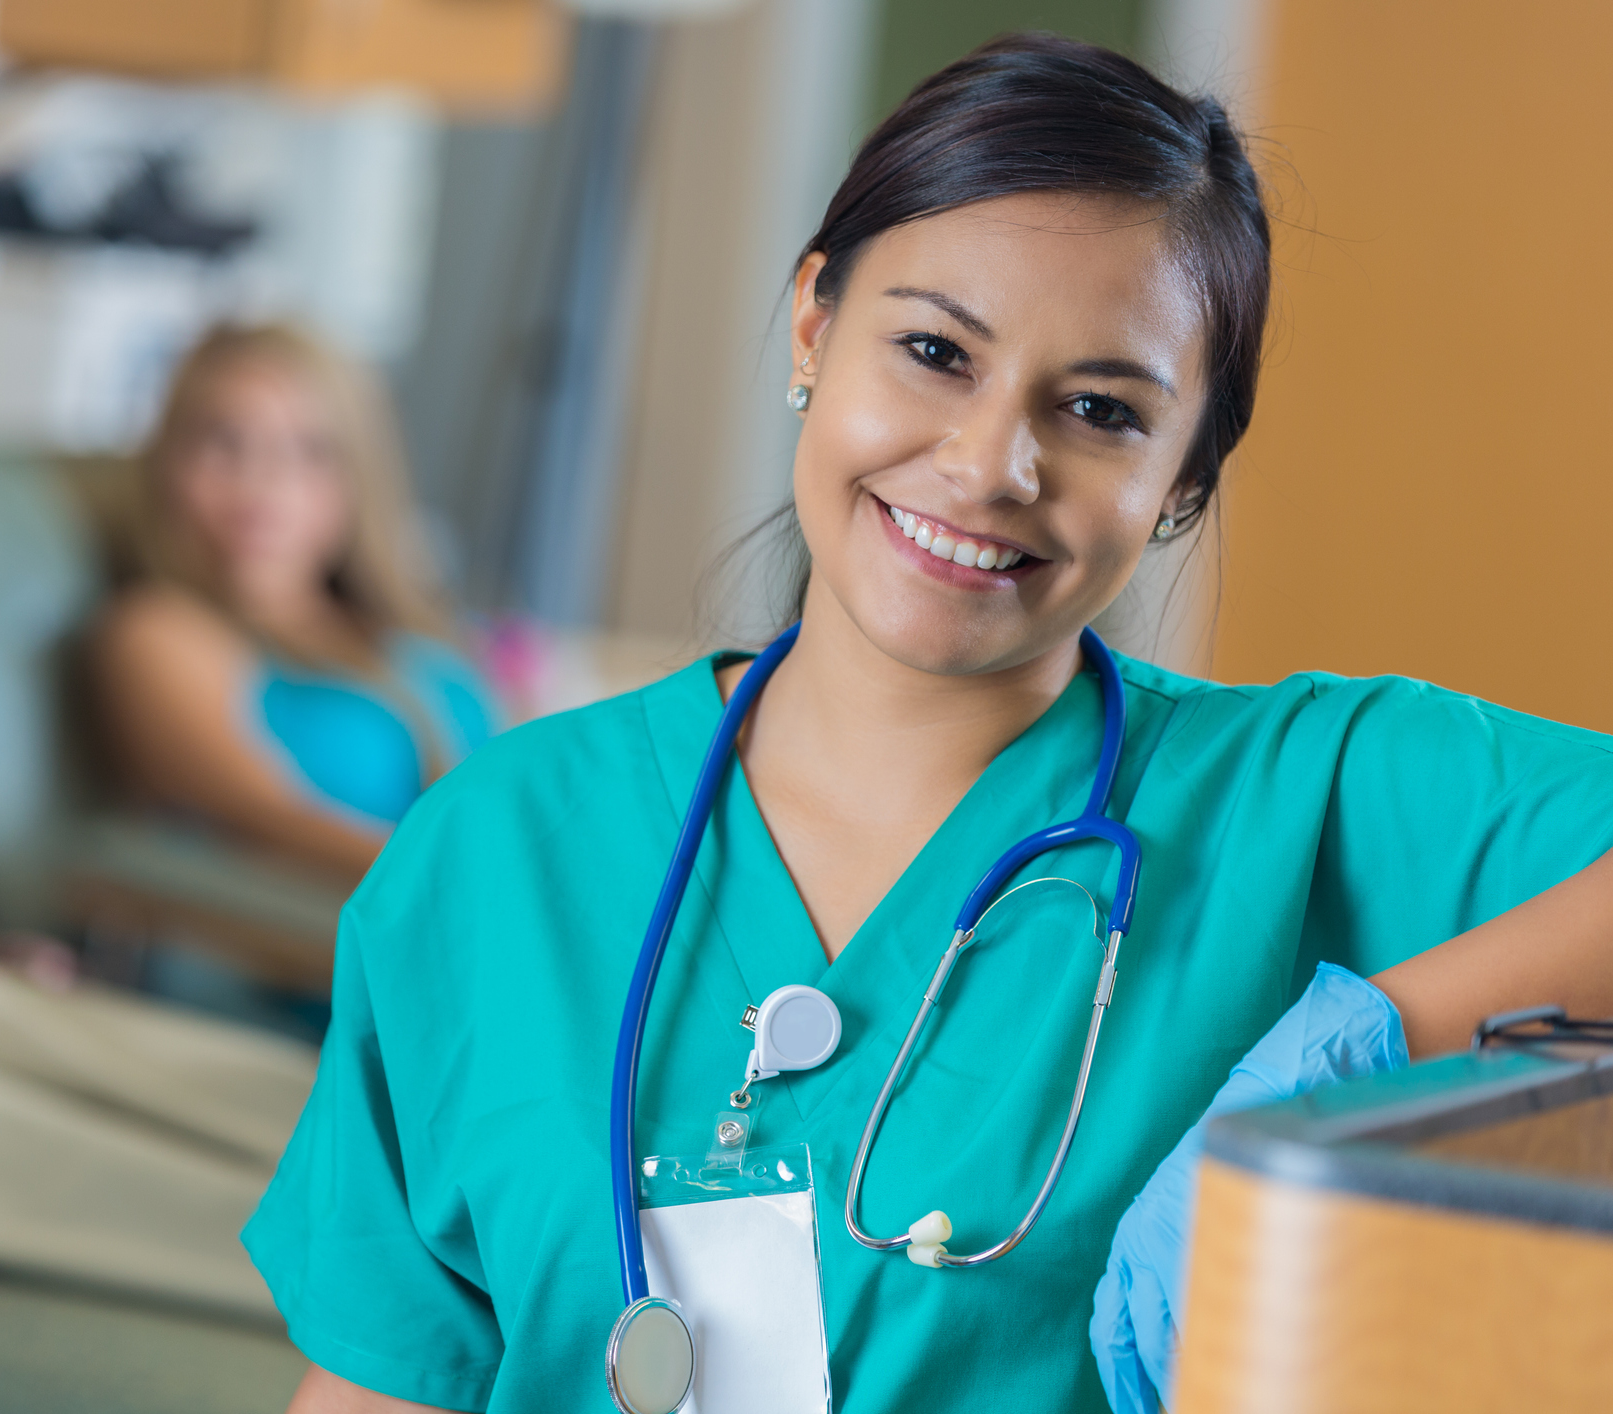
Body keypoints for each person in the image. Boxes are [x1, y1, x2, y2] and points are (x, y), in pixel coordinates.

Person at [243, 34, 1613, 1414]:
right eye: (933, 350)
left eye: (1098, 410)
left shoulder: (1308, 797)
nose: (988, 465)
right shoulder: (496, 848)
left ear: (1185, 478)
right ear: (810, 326)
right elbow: (386, 1379)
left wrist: (1364, 1056)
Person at [93, 323, 500, 884]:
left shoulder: (407, 633)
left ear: (357, 477)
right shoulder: (160, 633)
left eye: (310, 450)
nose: (262, 484)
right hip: (337, 947)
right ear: (169, 465)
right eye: (224, 443)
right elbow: (274, 825)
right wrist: (484, 883)